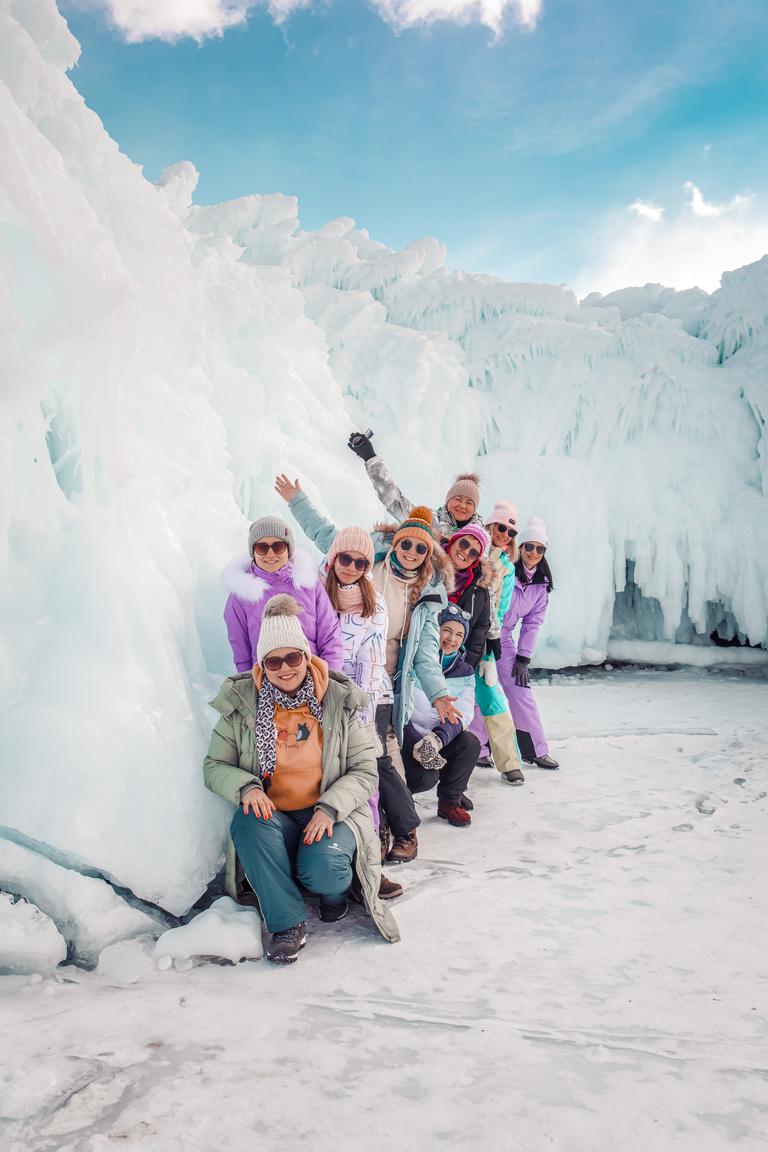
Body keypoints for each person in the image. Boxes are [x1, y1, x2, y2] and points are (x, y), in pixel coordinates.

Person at [203, 594, 399, 964]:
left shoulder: (339, 700)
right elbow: (214, 765)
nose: (284, 668)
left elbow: (365, 769)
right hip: (275, 815)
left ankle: (334, 895)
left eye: (292, 657)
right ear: (263, 664)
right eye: (273, 661)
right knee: (247, 821)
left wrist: (330, 807)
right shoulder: (243, 704)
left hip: (328, 812)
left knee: (323, 869)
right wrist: (244, 787)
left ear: (306, 657)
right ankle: (288, 924)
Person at [275, 479, 459, 866]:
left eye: (419, 548)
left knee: (376, 757)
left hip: (382, 685)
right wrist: (298, 500)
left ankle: (403, 829)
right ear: (395, 544)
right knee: (356, 760)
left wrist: (440, 695)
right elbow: (329, 536)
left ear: (427, 556)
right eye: (405, 543)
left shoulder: (425, 596)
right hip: (337, 682)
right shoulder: (365, 561)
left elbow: (425, 654)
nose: (409, 552)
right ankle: (374, 826)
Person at [444, 524, 526, 785]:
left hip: (477, 646)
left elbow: (491, 611)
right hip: (435, 649)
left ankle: (509, 762)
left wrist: (481, 649)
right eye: (501, 527)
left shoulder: (493, 573)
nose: (506, 534)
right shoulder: (435, 568)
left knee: (491, 697)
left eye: (511, 531)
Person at [222, 515, 344, 674]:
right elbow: (241, 653)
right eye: (262, 547)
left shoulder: (309, 585)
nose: (270, 554)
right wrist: (252, 690)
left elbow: (330, 637)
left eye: (278, 546)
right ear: (253, 552)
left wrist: (329, 679)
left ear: (288, 549)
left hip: (313, 680)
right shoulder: (241, 596)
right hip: (268, 686)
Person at [402, 605, 481, 827]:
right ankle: (397, 802)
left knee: (470, 743)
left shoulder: (465, 672)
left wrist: (437, 739)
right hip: (408, 736)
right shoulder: (415, 661)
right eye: (446, 630)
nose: (451, 639)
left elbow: (464, 714)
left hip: (437, 739)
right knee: (424, 778)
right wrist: (416, 741)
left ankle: (449, 801)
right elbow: (402, 707)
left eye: (459, 635)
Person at [497, 517, 559, 770]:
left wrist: (523, 658)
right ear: (520, 547)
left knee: (520, 691)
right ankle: (479, 748)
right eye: (529, 546)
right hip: (479, 635)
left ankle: (534, 749)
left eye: (539, 548)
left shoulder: (540, 586)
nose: (533, 552)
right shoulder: (504, 570)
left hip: (503, 639)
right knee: (478, 691)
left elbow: (532, 624)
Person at [347, 429, 484, 542]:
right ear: (448, 501)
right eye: (458, 499)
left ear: (475, 509)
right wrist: (370, 457)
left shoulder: (481, 538)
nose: (462, 506)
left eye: (469, 502)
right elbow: (395, 501)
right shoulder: (428, 520)